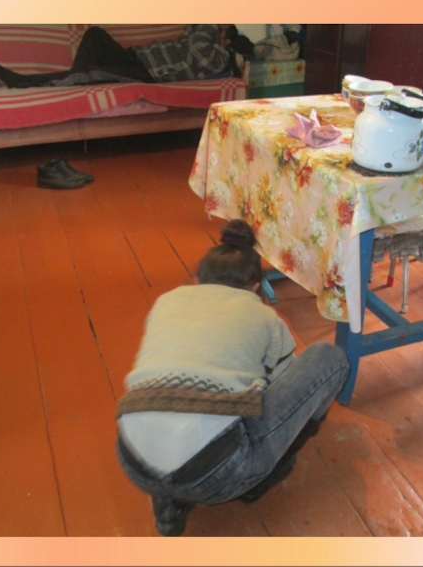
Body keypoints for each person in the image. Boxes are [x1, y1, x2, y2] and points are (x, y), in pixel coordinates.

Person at [115, 219, 350, 536]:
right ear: (254, 286)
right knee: (329, 359)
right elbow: (285, 389)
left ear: (199, 279)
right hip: (220, 474)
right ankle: (262, 478)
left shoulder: (166, 301)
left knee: (174, 408)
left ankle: (169, 501)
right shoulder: (264, 316)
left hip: (133, 461)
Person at [0, 24, 237, 88]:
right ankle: (77, 80)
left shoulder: (219, 56)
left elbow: (198, 42)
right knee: (95, 34)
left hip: (145, 73)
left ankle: (22, 81)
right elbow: (193, 30)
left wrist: (215, 25)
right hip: (133, 57)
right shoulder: (202, 38)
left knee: (89, 73)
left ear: (226, 39)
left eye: (221, 31)